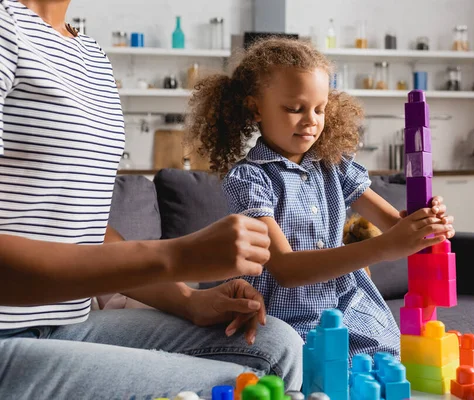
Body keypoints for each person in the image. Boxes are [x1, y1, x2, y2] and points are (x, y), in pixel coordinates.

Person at [0, 1, 303, 398]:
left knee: (278, 346)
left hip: (64, 321)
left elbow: (82, 229)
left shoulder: (89, 54)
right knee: (249, 390)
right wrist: (178, 255)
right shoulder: (7, 27)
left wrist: (187, 298)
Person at [188, 37, 456, 360]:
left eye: (320, 109)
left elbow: (395, 225)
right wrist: (385, 247)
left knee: (388, 361)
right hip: (285, 318)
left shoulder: (334, 165)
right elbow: (286, 269)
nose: (311, 120)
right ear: (256, 108)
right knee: (311, 371)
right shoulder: (249, 179)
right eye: (294, 108)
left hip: (347, 306)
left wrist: (425, 222)